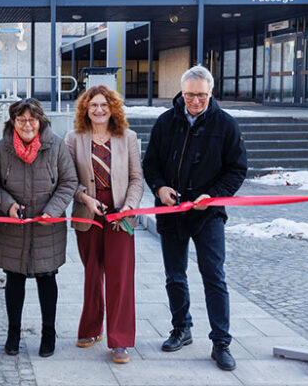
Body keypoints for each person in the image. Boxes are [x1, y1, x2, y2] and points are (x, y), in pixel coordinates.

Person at [142, 65, 247, 371]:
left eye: (201, 95)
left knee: (214, 277)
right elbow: (151, 164)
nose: (195, 101)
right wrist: (159, 187)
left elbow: (237, 170)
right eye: (189, 95)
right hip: (172, 212)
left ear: (210, 92)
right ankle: (181, 328)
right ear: (182, 92)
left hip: (208, 213)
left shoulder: (226, 124)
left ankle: (221, 342)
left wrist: (212, 195)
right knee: (174, 275)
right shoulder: (165, 122)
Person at [65, 85, 144, 364]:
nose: (98, 110)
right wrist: (84, 198)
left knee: (120, 278)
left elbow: (137, 178)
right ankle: (91, 328)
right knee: (92, 272)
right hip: (88, 212)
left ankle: (120, 340)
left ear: (113, 108)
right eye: (93, 105)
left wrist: (129, 207)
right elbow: (67, 179)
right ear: (85, 109)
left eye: (104, 105)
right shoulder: (73, 139)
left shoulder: (128, 138)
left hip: (121, 214)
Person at [0, 98, 77, 358]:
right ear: (13, 122)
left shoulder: (56, 146)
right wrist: (7, 205)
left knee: (47, 278)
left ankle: (48, 333)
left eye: (32, 119)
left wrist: (52, 210)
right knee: (14, 279)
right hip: (13, 226)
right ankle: (13, 333)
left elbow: (68, 181)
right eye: (21, 120)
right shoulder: (1, 149)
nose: (27, 125)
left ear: (40, 121)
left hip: (47, 226)